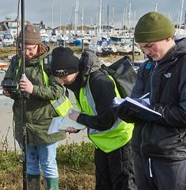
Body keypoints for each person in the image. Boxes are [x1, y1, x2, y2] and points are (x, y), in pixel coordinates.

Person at [116, 11, 186, 190]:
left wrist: (152, 110)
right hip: (141, 153)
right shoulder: (146, 66)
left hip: (172, 157)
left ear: (168, 37)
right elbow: (136, 100)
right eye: (142, 48)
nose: (146, 52)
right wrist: (127, 112)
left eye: (149, 46)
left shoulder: (183, 64)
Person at [50, 47, 136, 190]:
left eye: (63, 76)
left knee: (124, 186)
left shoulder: (99, 82)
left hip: (121, 142)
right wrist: (78, 125)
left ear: (73, 70)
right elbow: (93, 113)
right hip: (102, 145)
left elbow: (106, 121)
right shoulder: (79, 83)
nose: (61, 81)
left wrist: (80, 119)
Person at [2, 24, 72, 190]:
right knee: (30, 163)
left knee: (48, 163)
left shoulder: (50, 63)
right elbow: (9, 80)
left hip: (46, 123)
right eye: (22, 48)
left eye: (30, 49)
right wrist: (8, 90)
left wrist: (33, 89)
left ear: (39, 46)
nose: (26, 53)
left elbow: (57, 91)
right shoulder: (16, 61)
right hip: (24, 122)